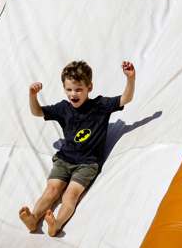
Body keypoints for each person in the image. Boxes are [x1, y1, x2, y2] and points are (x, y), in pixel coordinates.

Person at [18, 60, 136, 236]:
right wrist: (32, 95)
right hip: (65, 159)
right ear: (64, 88)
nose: (73, 94)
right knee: (52, 190)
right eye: (69, 89)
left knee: (70, 195)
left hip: (88, 164)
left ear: (90, 87)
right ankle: (34, 218)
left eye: (78, 89)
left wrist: (130, 79)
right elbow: (36, 112)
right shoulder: (63, 108)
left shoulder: (100, 106)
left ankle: (56, 224)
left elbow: (126, 98)